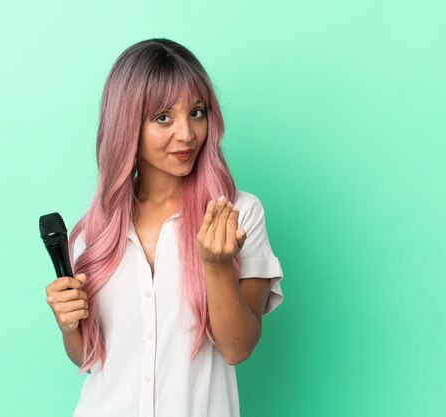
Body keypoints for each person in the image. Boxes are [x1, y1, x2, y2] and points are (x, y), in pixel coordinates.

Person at [45, 38, 284, 417]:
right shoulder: (98, 231)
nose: (187, 134)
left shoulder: (237, 213)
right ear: (127, 125)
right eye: (163, 118)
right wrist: (68, 325)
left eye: (197, 112)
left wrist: (217, 265)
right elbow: (90, 358)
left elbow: (237, 347)